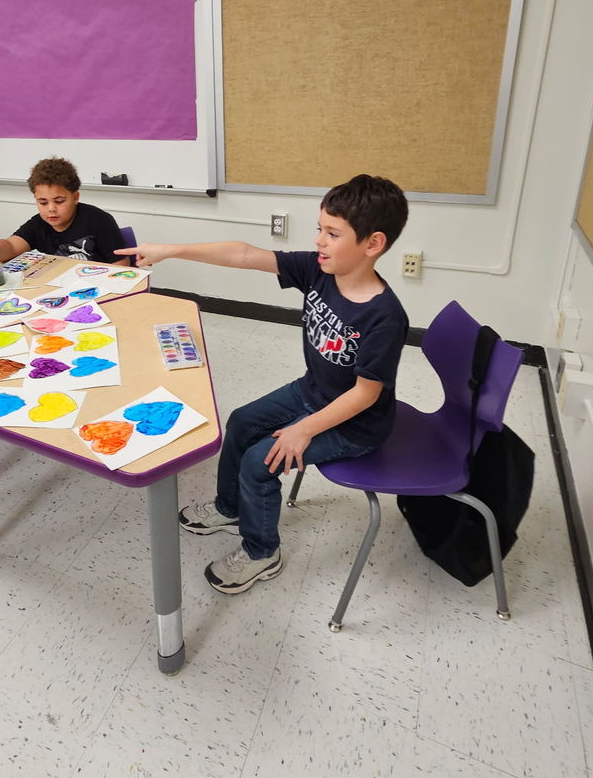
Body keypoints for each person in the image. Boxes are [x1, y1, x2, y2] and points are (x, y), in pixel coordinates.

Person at [117, 174, 409, 594]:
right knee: (240, 422)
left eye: (332, 233)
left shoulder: (384, 317)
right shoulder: (319, 269)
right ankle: (229, 508)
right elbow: (243, 254)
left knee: (259, 461)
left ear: (372, 244)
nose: (320, 241)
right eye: (319, 230)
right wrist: (170, 251)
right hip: (313, 391)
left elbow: (366, 394)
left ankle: (261, 552)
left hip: (355, 424)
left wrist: (303, 430)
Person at [0, 157, 127, 264]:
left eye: (59, 201)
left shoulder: (99, 221)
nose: (51, 209)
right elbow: (11, 246)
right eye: (42, 202)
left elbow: (121, 263)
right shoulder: (38, 224)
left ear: (75, 197)